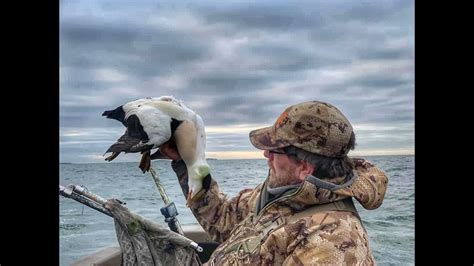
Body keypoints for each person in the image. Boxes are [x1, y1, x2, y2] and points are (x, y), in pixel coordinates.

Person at [159, 100, 388, 265]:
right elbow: (223, 219)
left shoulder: (334, 243)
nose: (266, 155)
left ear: (305, 168)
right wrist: (187, 161)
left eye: (274, 150)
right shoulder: (281, 193)